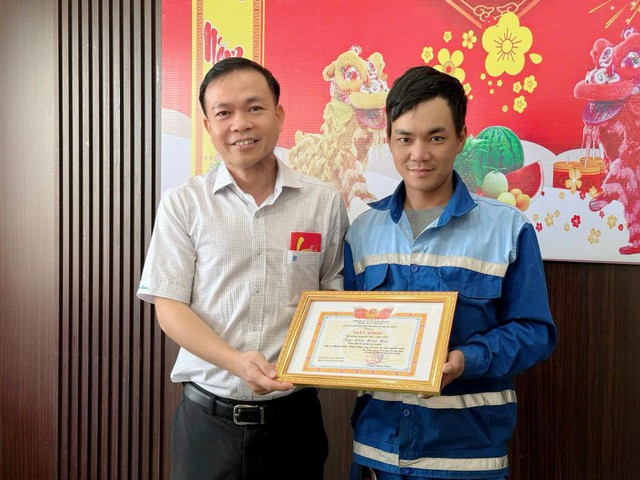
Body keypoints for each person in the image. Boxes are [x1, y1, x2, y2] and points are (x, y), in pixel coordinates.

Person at [137, 57, 349, 480]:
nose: (240, 124)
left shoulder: (322, 202)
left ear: (279, 114)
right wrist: (236, 362)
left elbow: (333, 297)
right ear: (207, 125)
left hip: (295, 424)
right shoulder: (184, 204)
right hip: (207, 424)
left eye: (254, 108)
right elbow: (170, 307)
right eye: (224, 113)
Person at [343, 65, 558, 480]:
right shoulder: (362, 232)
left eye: (436, 137)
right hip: (377, 453)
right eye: (405, 138)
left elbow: (535, 332)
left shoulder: (508, 229)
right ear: (388, 139)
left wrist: (466, 359)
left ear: (461, 138)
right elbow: (349, 329)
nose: (418, 154)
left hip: (467, 458)